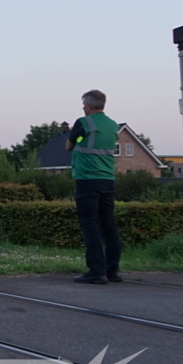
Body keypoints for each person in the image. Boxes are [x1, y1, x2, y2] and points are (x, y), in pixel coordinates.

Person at [65, 89, 122, 284]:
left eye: (84, 105)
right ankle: (112, 270)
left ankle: (96, 270)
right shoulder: (113, 125)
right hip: (108, 179)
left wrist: (79, 139)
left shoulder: (84, 123)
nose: (83, 108)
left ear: (89, 106)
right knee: (108, 223)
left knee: (90, 224)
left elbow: (69, 146)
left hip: (87, 178)